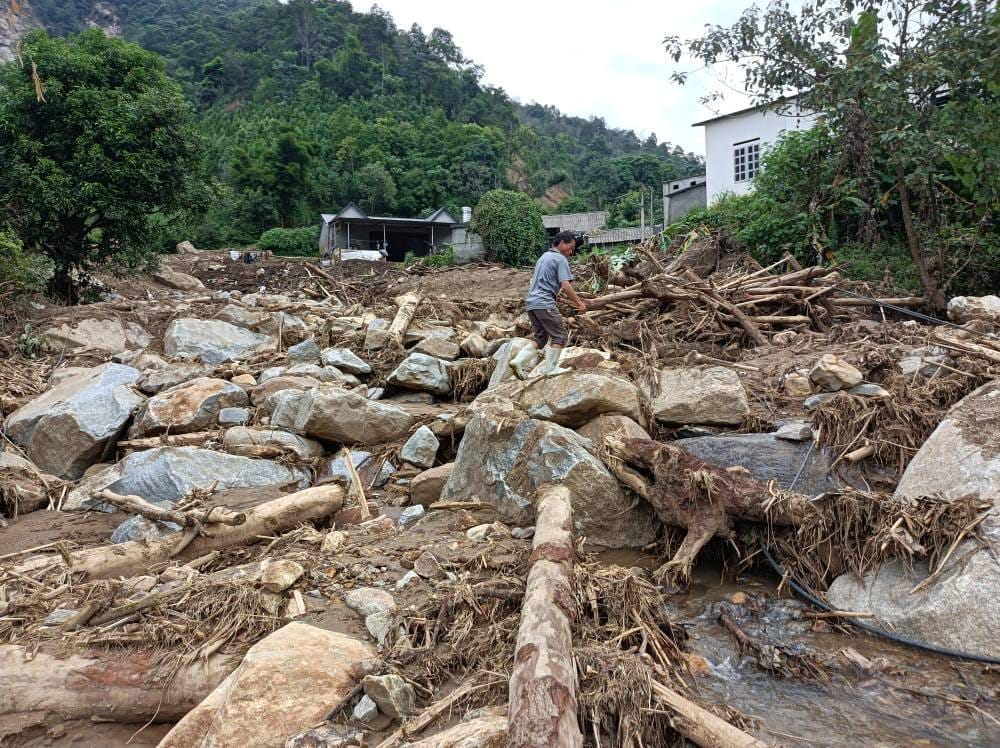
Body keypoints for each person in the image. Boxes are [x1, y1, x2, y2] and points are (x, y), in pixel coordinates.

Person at [509, 230, 588, 378]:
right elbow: (565, 285)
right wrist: (579, 303)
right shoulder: (560, 259)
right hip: (544, 302)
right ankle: (551, 369)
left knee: (541, 336)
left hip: (532, 303)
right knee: (560, 335)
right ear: (562, 243)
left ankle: (518, 361)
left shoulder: (543, 257)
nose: (571, 252)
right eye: (571, 248)